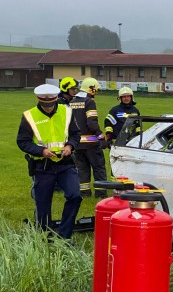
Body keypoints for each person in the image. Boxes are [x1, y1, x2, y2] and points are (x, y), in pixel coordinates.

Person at [17, 84, 82, 239]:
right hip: (42, 165)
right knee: (43, 203)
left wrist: (70, 145)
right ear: (39, 100)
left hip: (65, 164)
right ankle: (45, 235)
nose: (48, 107)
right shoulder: (29, 116)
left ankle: (65, 235)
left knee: (75, 196)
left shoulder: (66, 112)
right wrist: (41, 151)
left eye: (51, 104)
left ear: (55, 100)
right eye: (45, 105)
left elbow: (76, 134)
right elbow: (22, 141)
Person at [70, 77, 108, 198]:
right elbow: (91, 123)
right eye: (95, 90)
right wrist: (101, 136)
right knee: (98, 168)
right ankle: (101, 193)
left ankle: (84, 193)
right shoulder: (89, 102)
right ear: (92, 89)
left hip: (76, 143)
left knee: (82, 169)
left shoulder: (72, 102)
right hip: (91, 142)